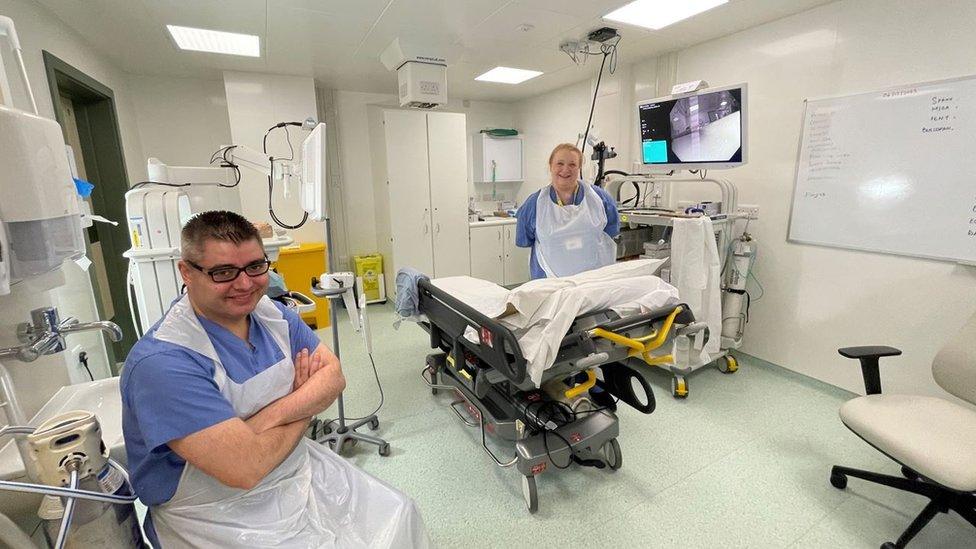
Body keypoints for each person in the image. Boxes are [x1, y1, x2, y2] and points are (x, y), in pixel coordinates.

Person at [120, 210, 428, 548]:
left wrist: (263, 422)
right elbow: (245, 469)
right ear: (187, 272)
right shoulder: (164, 363)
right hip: (215, 514)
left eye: (255, 266)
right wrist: (306, 404)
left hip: (294, 471)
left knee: (399, 514)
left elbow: (334, 377)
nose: (244, 283)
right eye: (223, 272)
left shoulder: (271, 314)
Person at [515, 143, 620, 278]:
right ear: (550, 166)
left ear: (579, 168)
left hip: (593, 283)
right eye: (560, 163)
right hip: (550, 283)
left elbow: (610, 233)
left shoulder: (600, 199)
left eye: (572, 164)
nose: (565, 170)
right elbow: (524, 240)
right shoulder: (535, 204)